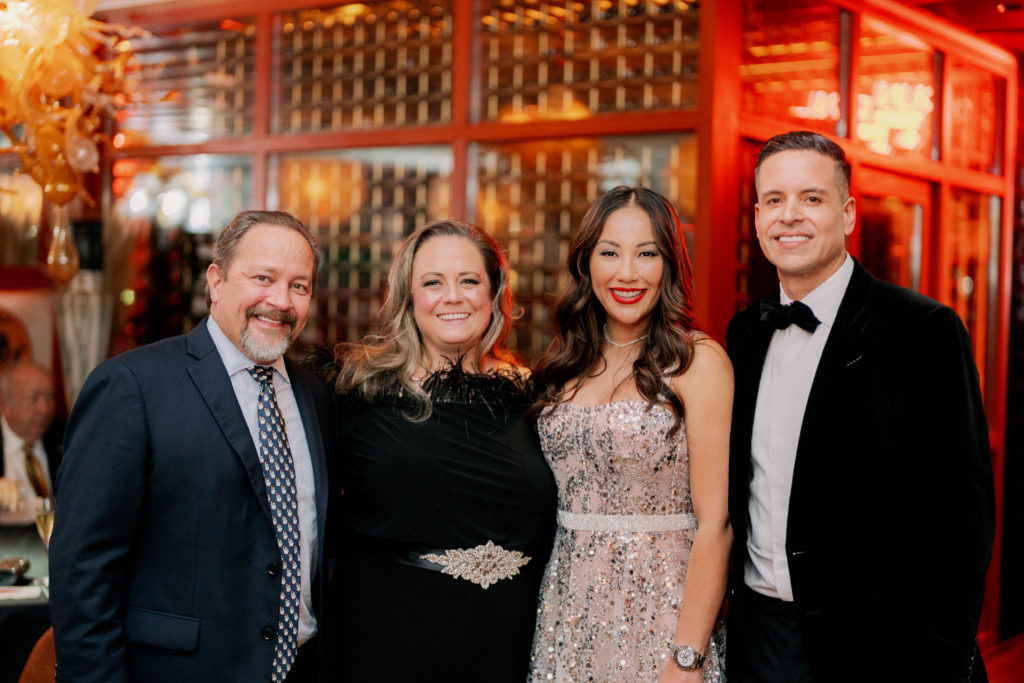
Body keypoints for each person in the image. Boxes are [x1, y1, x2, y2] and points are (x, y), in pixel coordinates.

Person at [725, 131, 995, 682]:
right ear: (756, 218)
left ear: (848, 214)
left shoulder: (922, 331)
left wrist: (939, 656)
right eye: (774, 200)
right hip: (757, 637)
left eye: (812, 198)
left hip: (881, 647)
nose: (789, 216)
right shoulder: (744, 334)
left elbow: (962, 520)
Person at [49, 210, 336, 683]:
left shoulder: (316, 398)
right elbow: (84, 571)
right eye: (262, 277)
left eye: (299, 286)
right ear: (216, 281)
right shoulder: (132, 387)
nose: (280, 301)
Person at [322, 219, 556, 682]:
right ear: (409, 298)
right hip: (394, 643)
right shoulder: (356, 393)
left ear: (494, 294)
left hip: (513, 642)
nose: (453, 296)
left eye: (469, 281)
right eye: (433, 282)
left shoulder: (539, 399)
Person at [528, 186, 733, 682]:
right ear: (586, 264)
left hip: (663, 620)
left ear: (669, 265)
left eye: (647, 254)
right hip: (566, 616)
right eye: (609, 253)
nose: (627, 273)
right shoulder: (562, 366)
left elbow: (716, 526)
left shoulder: (697, 361)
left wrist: (687, 658)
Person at [0, 360, 60, 525]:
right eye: (34, 398)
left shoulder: (65, 438)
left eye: (49, 397)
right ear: (4, 405)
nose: (45, 408)